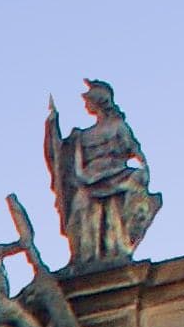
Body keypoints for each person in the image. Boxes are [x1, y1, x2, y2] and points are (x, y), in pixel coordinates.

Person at [43, 79, 161, 268]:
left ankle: (113, 253)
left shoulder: (118, 127)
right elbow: (59, 155)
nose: (85, 104)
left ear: (97, 101)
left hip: (115, 176)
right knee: (80, 214)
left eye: (87, 100)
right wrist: (52, 125)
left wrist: (143, 172)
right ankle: (84, 257)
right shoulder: (81, 136)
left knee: (112, 216)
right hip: (87, 179)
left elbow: (136, 152)